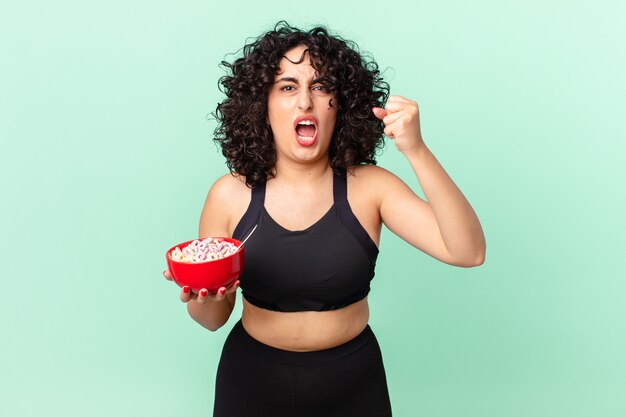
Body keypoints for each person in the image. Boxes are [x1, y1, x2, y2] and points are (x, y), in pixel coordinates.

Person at [163, 21, 485, 417]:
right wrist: (203, 294)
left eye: (321, 86)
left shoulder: (371, 187)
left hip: (353, 385)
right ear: (262, 105)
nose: (305, 102)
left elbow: (468, 251)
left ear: (342, 103)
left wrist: (416, 150)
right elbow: (211, 320)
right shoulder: (228, 194)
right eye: (287, 86)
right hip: (250, 384)